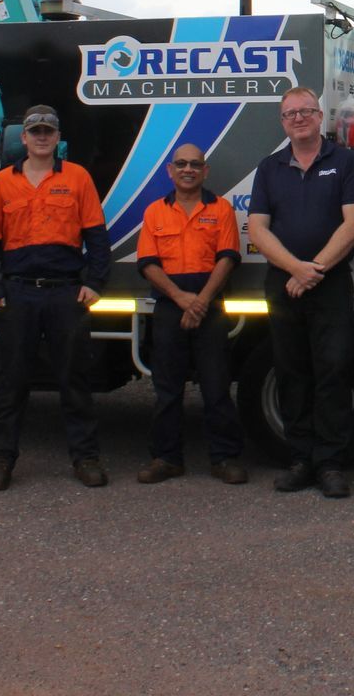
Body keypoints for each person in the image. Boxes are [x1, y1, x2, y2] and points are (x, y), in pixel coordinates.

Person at [0, 105, 112, 492]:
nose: (41, 137)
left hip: (65, 293)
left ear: (57, 136)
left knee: (74, 381)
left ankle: (86, 458)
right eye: (34, 131)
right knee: (12, 383)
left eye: (48, 131)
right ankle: (0, 461)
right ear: (24, 137)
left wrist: (95, 283)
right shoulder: (3, 183)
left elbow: (97, 239)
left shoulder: (78, 178)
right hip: (17, 295)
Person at [247, 87, 354, 499]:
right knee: (291, 370)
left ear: (320, 117)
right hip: (284, 283)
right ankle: (300, 459)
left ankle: (330, 463)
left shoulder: (344, 162)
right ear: (283, 123)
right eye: (290, 114)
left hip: (330, 283)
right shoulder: (269, 167)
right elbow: (258, 229)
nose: (298, 118)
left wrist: (313, 269)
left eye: (305, 111)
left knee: (334, 370)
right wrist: (296, 269)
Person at [136, 144, 248, 485]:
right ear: (170, 170)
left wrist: (200, 302)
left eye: (195, 164)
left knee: (216, 388)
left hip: (210, 307)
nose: (188, 169)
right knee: (167, 389)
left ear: (205, 170)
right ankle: (166, 459)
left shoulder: (222, 209)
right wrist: (182, 299)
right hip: (171, 307)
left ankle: (224, 458)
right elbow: (147, 264)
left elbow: (227, 258)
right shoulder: (155, 211)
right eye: (181, 164)